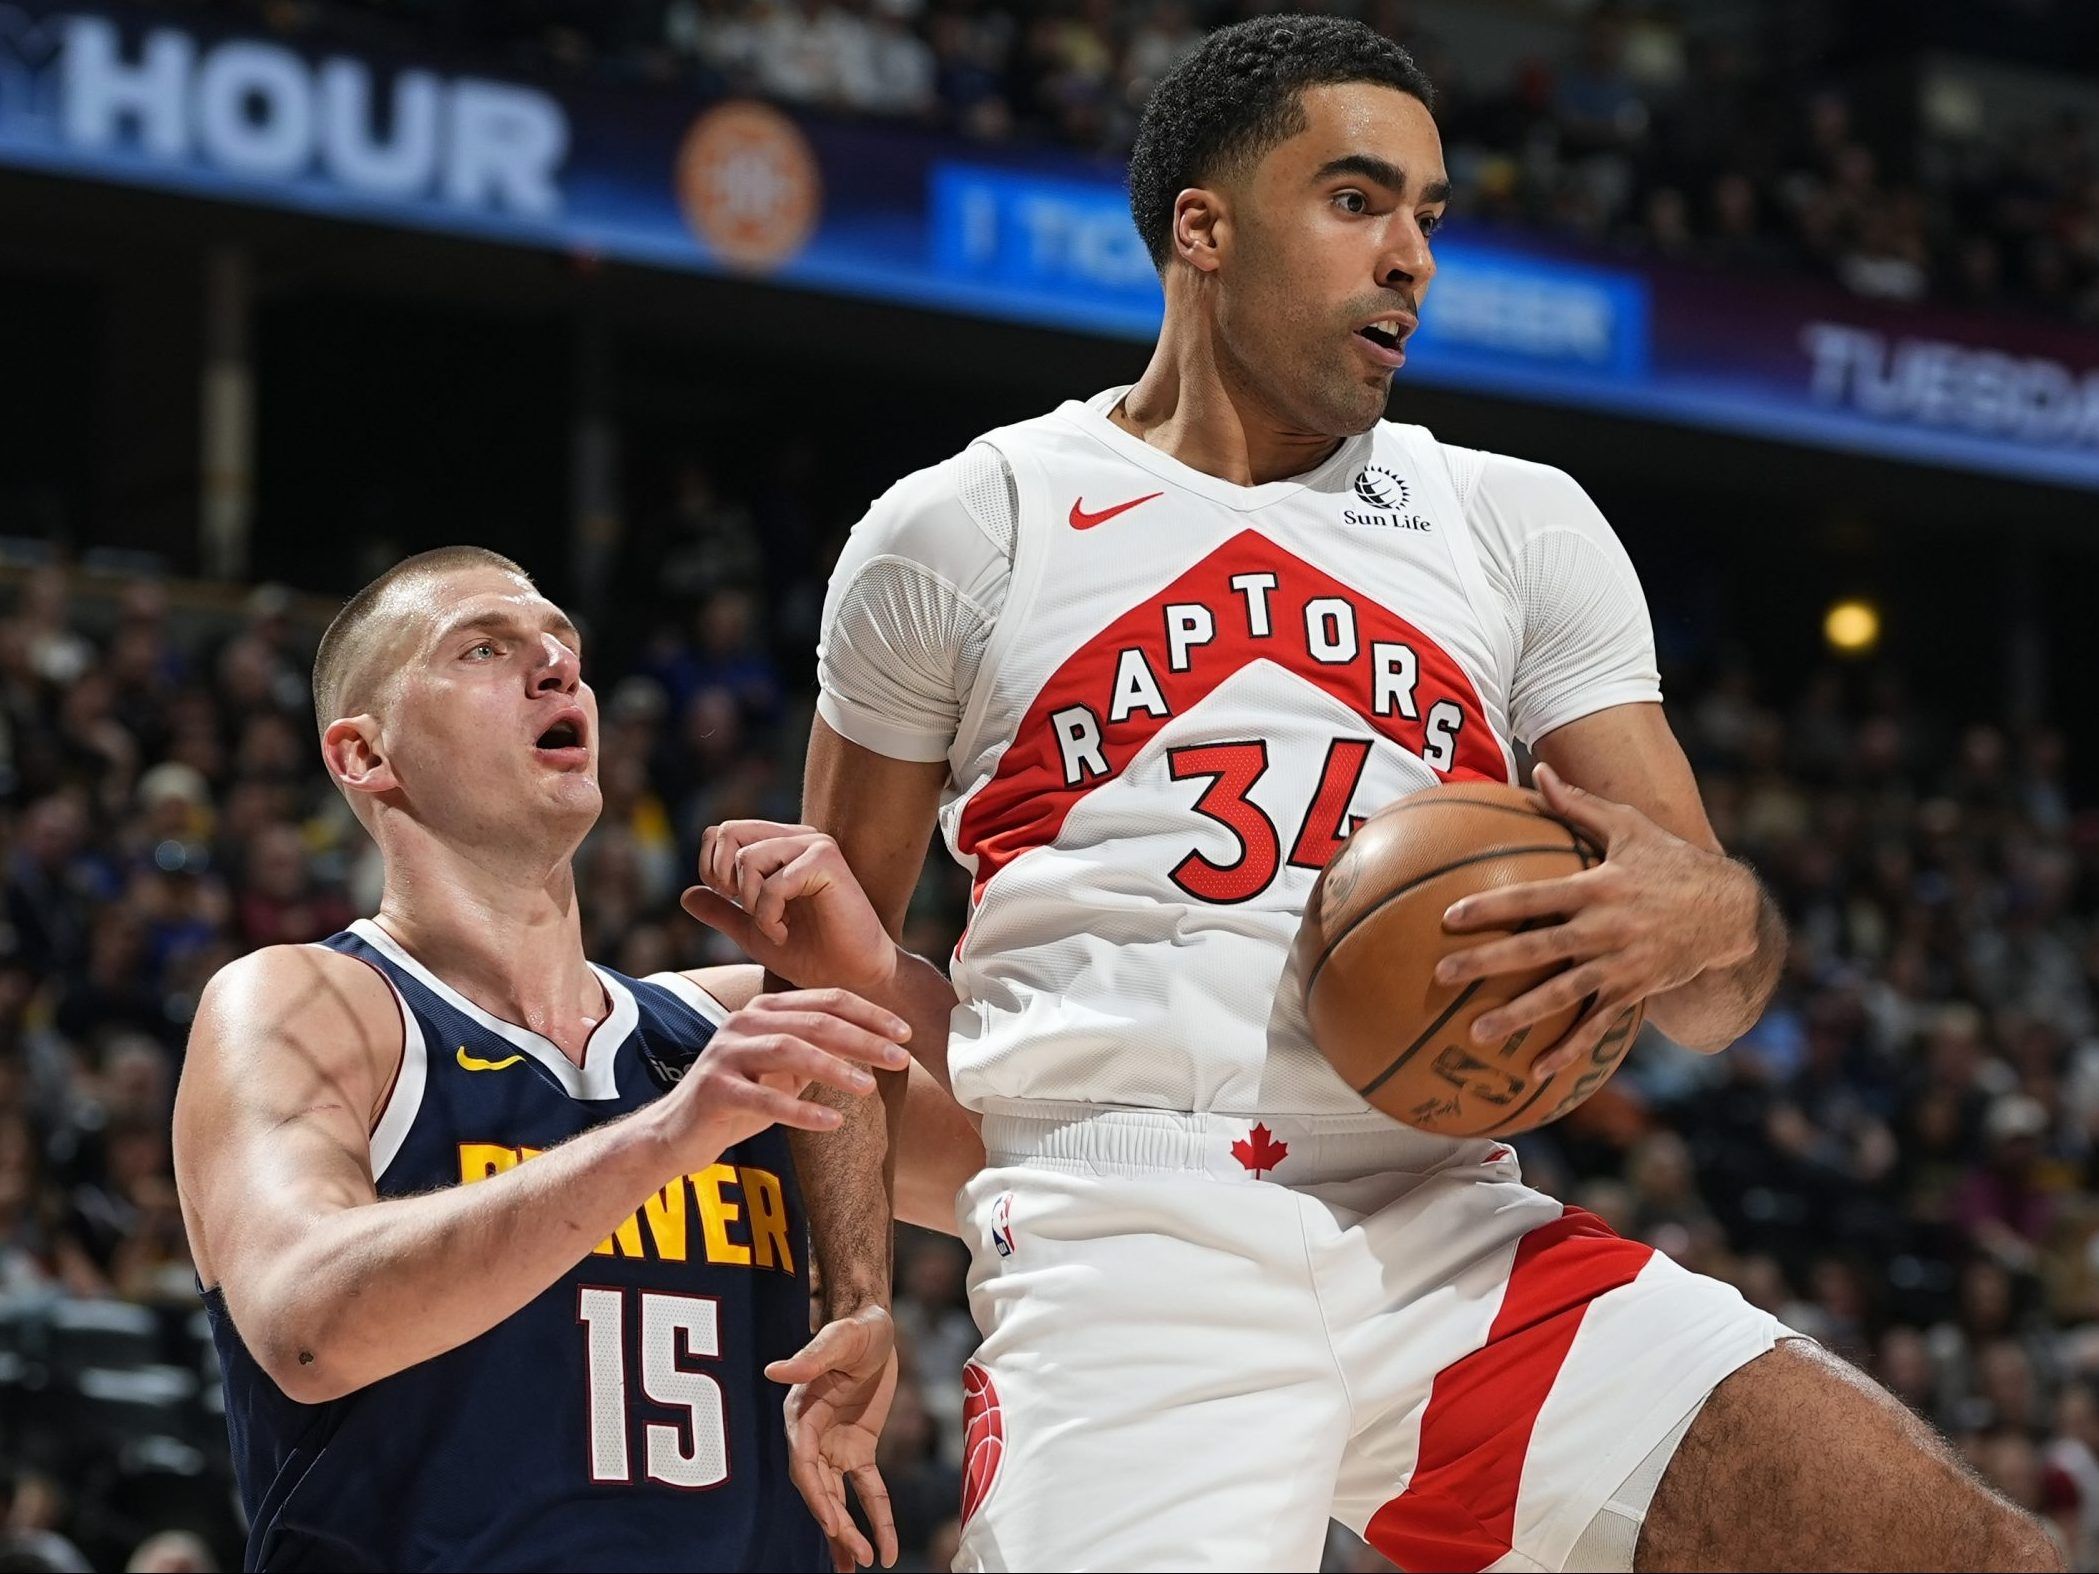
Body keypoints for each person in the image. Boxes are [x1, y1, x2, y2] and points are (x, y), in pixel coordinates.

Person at [694, 17, 2063, 1573]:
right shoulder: (964, 526)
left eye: (1426, 212)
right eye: (1356, 201)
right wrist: (857, 1298)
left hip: (1449, 1217)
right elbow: (833, 980)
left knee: (1960, 1550)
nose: (1409, 253)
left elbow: (1715, 993)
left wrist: (1710, 911)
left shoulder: (1511, 521)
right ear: (1200, 229)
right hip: (1132, 1235)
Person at [169, 546, 968, 1572]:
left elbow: (1048, 1174)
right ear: (365, 754)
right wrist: (668, 1136)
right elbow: (308, 1322)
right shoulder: (311, 1000)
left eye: (563, 646)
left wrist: (880, 971)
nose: (554, 666)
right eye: (485, 647)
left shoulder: (730, 1027)